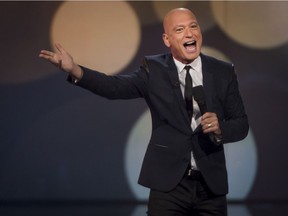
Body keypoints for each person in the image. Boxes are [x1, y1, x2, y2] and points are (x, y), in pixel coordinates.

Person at [39, 7, 248, 216]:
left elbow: (241, 124)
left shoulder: (222, 71)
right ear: (167, 39)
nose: (189, 33)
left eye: (194, 26)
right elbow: (114, 87)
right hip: (168, 186)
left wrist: (221, 129)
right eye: (180, 29)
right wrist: (76, 70)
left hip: (210, 186)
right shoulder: (154, 69)